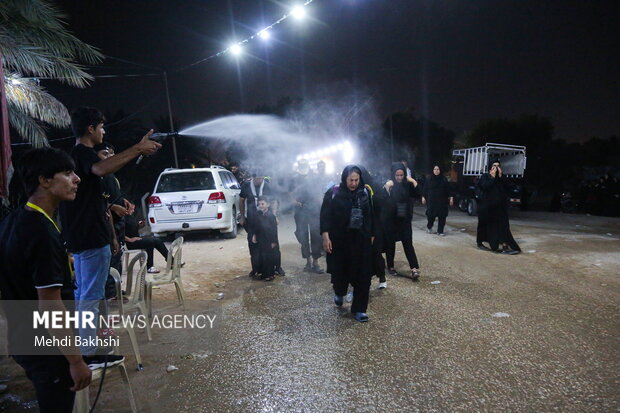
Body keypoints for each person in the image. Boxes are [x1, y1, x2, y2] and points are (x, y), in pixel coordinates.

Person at [58, 107, 160, 358]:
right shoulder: (83, 153)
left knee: (86, 294)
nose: (104, 131)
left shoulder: (77, 156)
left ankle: (90, 347)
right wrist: (137, 148)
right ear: (90, 128)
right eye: (101, 127)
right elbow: (102, 168)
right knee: (91, 296)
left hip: (83, 237)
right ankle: (90, 354)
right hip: (91, 238)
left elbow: (95, 191)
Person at [0, 148, 93, 412]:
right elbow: (50, 306)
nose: (77, 179)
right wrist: (75, 361)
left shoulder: (13, 222)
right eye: (67, 173)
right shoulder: (41, 231)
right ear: (44, 180)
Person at [320, 165, 375, 322]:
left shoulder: (364, 192)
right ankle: (339, 290)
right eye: (350, 180)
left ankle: (359, 309)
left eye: (356, 180)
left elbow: (370, 215)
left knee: (363, 275)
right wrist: (325, 236)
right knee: (340, 272)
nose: (353, 183)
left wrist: (371, 234)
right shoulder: (333, 193)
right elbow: (325, 216)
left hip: (360, 240)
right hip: (340, 241)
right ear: (344, 178)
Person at [240, 171, 283, 277]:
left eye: (261, 178)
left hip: (267, 218)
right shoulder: (246, 185)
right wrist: (242, 216)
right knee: (253, 244)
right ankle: (256, 268)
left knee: (273, 243)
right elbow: (241, 201)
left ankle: (277, 267)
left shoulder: (267, 186)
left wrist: (274, 215)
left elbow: (273, 201)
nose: (260, 180)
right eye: (257, 178)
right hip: (252, 219)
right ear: (253, 177)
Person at [383, 162, 421, 280]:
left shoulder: (407, 184)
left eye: (401, 175)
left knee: (408, 243)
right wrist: (386, 187)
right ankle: (390, 266)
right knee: (390, 244)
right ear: (393, 175)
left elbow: (418, 194)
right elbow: (382, 200)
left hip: (404, 219)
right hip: (391, 219)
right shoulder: (390, 184)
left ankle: (414, 268)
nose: (399, 178)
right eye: (397, 175)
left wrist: (414, 182)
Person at [476, 160, 521, 254]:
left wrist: (500, 177)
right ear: (490, 167)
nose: (496, 168)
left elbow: (509, 187)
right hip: (487, 207)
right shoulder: (485, 176)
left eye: (498, 166)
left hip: (500, 207)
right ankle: (481, 242)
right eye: (494, 166)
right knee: (486, 226)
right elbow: (484, 187)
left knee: (504, 226)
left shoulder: (501, 177)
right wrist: (492, 177)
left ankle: (505, 244)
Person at [290, 159, 324, 273]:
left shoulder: (314, 178)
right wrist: (294, 201)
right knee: (302, 236)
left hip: (314, 210)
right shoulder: (294, 179)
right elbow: (290, 194)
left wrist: (321, 207)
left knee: (316, 236)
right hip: (300, 211)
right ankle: (308, 261)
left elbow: (319, 193)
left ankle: (316, 262)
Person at [250, 196, 280, 281]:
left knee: (269, 257)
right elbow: (256, 227)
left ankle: (270, 275)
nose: (261, 206)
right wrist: (254, 235)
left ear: (268, 204)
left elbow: (274, 229)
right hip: (261, 239)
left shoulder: (271, 216)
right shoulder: (258, 214)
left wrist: (274, 241)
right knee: (262, 257)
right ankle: (264, 274)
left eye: (263, 204)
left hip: (269, 239)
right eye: (259, 204)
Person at [422, 165, 454, 236]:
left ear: (440, 170)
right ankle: (429, 226)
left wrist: (451, 197)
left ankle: (440, 231)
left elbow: (448, 190)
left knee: (442, 216)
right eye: (435, 169)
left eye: (438, 169)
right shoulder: (429, 179)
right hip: (432, 201)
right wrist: (423, 197)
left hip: (442, 201)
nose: (436, 171)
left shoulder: (444, 179)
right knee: (430, 215)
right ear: (433, 170)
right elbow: (425, 189)